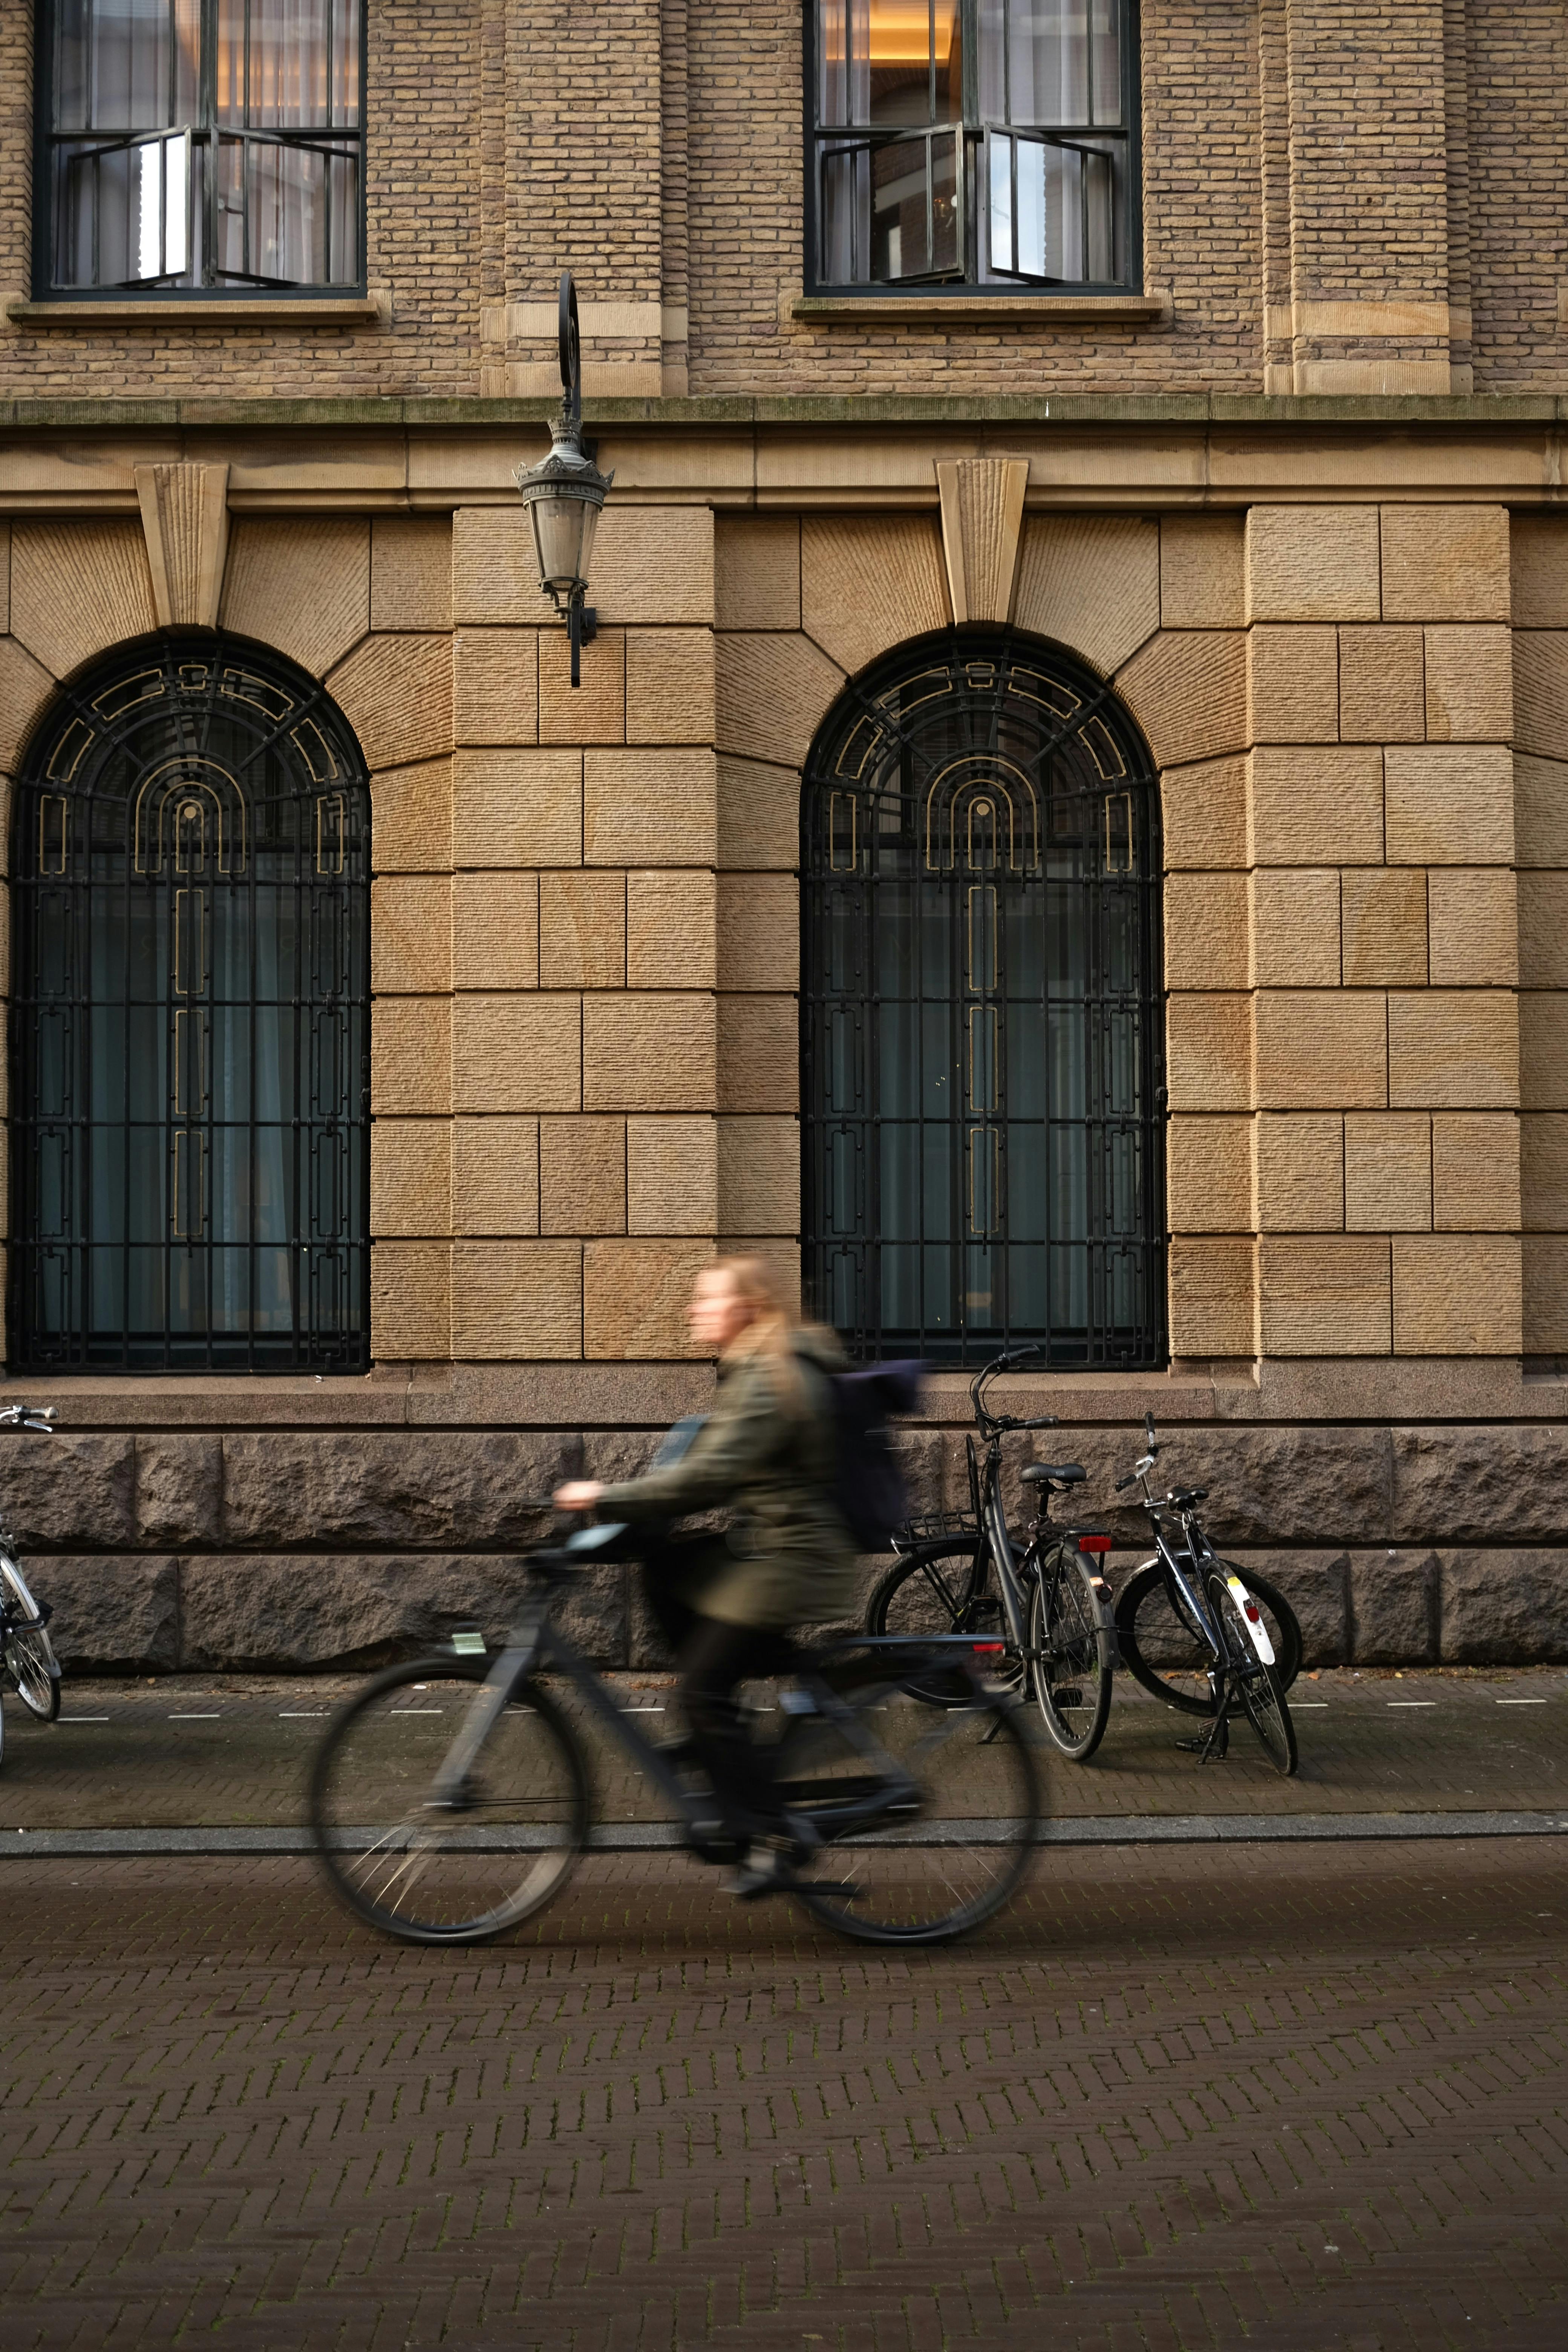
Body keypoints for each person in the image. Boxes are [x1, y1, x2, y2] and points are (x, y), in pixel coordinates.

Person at [553, 1256, 856, 1898]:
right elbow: (714, 1468)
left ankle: (770, 1837)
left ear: (746, 1308)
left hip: (790, 1559)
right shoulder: (756, 1367)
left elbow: (706, 1479)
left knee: (698, 1690)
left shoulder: (771, 1376)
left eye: (707, 1297)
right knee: (667, 1569)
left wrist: (605, 1497)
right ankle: (720, 1735)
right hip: (769, 1547)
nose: (694, 1308)